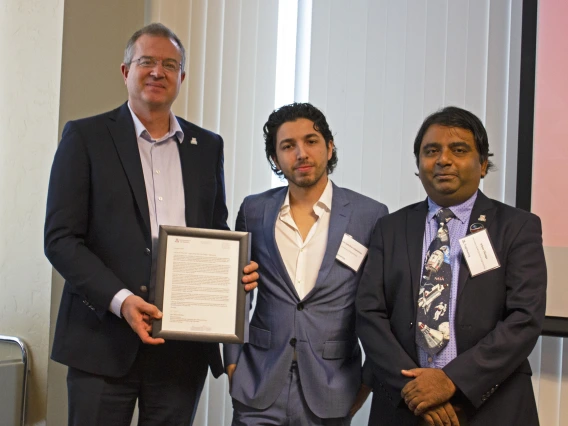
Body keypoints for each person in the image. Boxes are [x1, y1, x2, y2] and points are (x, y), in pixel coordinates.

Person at [44, 23, 258, 426]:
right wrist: (121, 300)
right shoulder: (85, 137)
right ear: (126, 72)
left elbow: (215, 229)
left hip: (182, 349)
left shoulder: (207, 146)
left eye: (170, 64)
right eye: (147, 62)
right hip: (102, 339)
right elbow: (60, 239)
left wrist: (235, 271)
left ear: (182, 77)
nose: (158, 72)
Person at [356, 106, 546, 426]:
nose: (443, 159)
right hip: (405, 406)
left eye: (459, 150)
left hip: (492, 404)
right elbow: (369, 313)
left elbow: (525, 318)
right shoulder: (389, 228)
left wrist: (451, 382)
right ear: (418, 166)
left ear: (483, 164)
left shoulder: (516, 227)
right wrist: (415, 389)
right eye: (431, 151)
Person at [224, 103, 389, 425]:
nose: (301, 153)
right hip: (259, 381)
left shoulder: (369, 215)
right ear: (275, 158)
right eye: (287, 146)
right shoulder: (254, 210)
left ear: (329, 147)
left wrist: (367, 381)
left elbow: (379, 306)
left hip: (332, 386)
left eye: (311, 141)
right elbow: (238, 289)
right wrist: (232, 364)